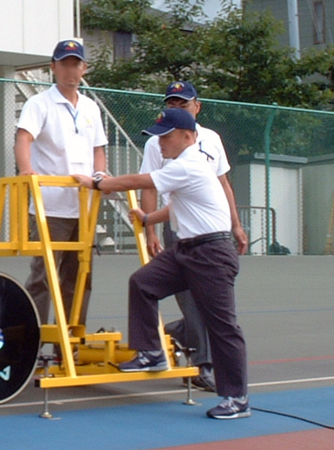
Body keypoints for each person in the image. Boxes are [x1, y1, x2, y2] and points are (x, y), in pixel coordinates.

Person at [73, 108, 250, 419]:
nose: (159, 142)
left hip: (211, 253)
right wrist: (149, 219)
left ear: (188, 136)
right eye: (157, 136)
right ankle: (152, 352)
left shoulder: (190, 164)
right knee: (143, 283)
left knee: (221, 326)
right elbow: (181, 207)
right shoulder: (184, 167)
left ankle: (237, 398)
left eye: (165, 136)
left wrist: (97, 183)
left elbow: (140, 181)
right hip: (186, 250)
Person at [139, 81, 249, 392]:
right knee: (191, 302)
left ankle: (173, 334)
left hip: (214, 233)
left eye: (182, 104)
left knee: (210, 306)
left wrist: (236, 224)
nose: (176, 108)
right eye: (170, 104)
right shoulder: (157, 143)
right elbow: (148, 185)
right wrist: (150, 229)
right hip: (181, 232)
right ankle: (202, 364)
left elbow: (223, 184)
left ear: (197, 107)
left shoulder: (211, 140)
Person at [14, 39, 108, 330]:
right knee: (43, 275)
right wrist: (27, 169)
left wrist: (100, 177)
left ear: (84, 68)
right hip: (50, 205)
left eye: (75, 63)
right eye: (64, 63)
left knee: (80, 276)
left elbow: (98, 150)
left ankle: (72, 340)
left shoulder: (92, 107)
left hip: (83, 205)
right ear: (53, 67)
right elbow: (23, 138)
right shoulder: (39, 103)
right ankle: (34, 339)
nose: (71, 70)